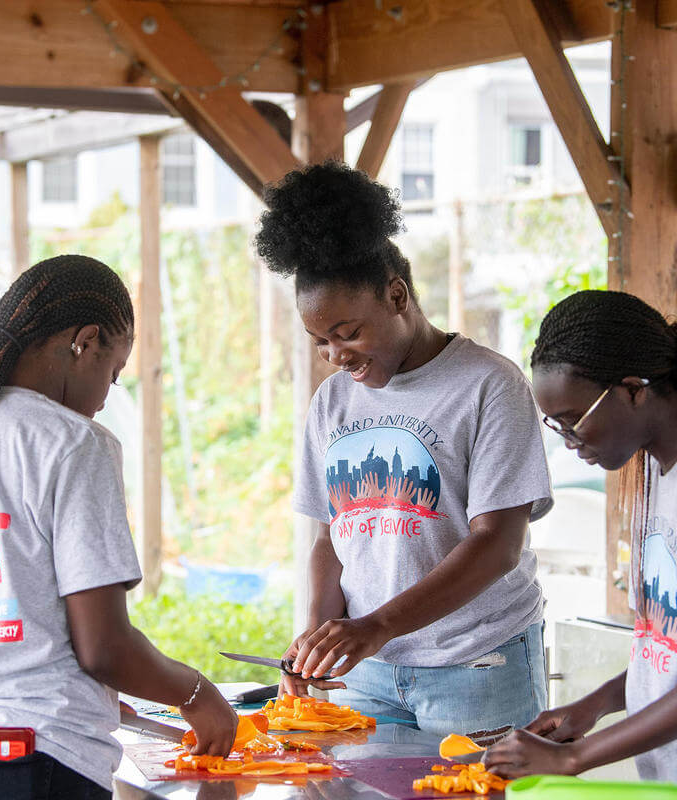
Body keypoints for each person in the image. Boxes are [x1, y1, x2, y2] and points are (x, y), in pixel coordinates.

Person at [0, 255, 237, 800]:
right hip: (29, 769)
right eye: (113, 374)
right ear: (85, 342)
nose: (104, 398)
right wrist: (195, 694)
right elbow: (103, 648)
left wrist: (31, 669)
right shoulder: (73, 445)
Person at [254, 162, 553, 737]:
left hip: (477, 664)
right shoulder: (332, 402)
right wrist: (320, 633)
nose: (336, 354)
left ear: (397, 295)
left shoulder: (488, 384)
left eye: (348, 332)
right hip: (367, 671)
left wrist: (375, 626)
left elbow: (498, 545)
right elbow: (329, 535)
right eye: (320, 341)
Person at [485, 289, 677, 782]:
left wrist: (574, 758)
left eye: (575, 423)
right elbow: (663, 648)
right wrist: (592, 706)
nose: (570, 444)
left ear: (633, 389)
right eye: (558, 427)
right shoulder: (653, 473)